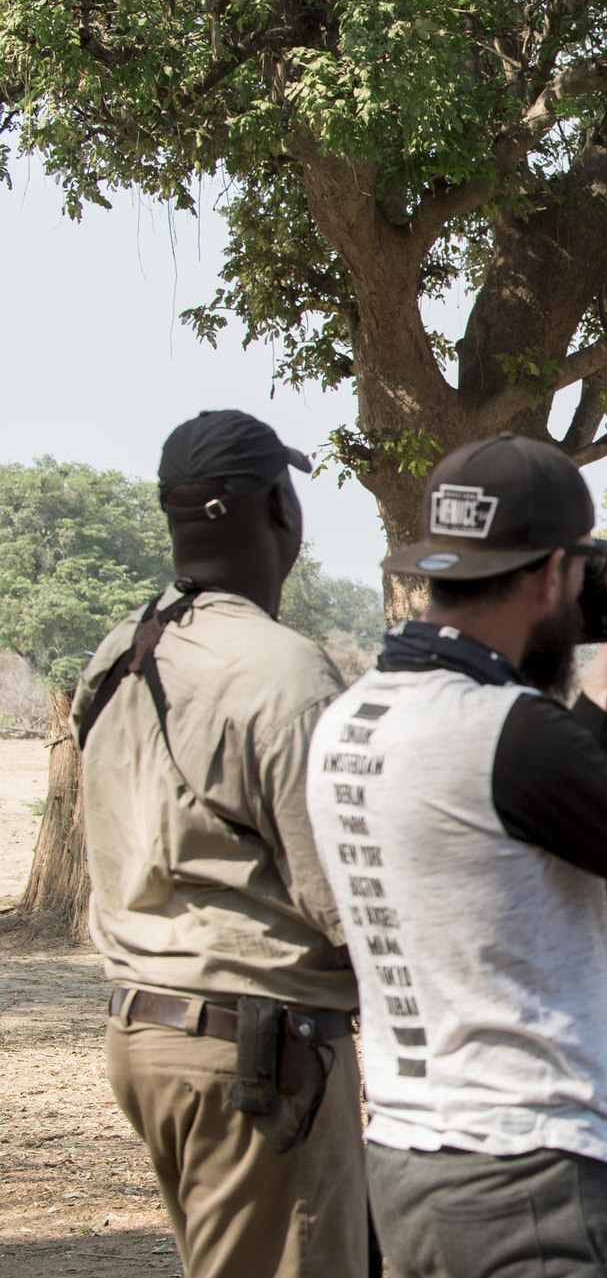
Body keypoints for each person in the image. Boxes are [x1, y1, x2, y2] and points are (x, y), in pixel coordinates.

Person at [307, 433, 607, 1278]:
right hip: (530, 1178)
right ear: (554, 574)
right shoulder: (504, 732)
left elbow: (558, 873)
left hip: (407, 1162)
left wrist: (606, 705)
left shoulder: (354, 717)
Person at [73, 410, 366, 1278]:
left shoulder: (120, 652)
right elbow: (342, 897)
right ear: (279, 506)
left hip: (148, 1032)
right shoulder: (282, 670)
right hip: (257, 1047)